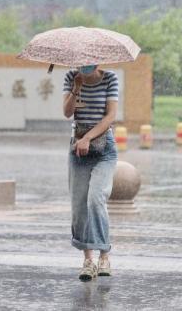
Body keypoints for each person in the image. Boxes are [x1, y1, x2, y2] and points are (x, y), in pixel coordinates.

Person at [63, 64, 119, 282]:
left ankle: (104, 256)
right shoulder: (71, 76)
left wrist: (88, 137)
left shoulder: (109, 78)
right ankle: (88, 260)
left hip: (104, 147)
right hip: (78, 149)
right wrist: (76, 87)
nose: (84, 65)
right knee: (80, 205)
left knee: (96, 199)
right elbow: (67, 112)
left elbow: (110, 115)